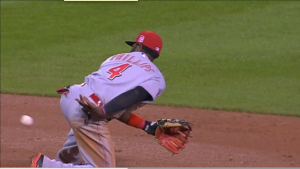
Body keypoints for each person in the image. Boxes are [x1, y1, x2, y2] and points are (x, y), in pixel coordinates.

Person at [31, 30, 166, 168]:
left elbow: (117, 106)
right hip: (90, 109)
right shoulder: (156, 77)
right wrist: (103, 111)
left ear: (138, 46)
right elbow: (135, 94)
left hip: (72, 96)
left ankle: (66, 161)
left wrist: (145, 125)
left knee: (84, 130)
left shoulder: (116, 58)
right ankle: (47, 166)